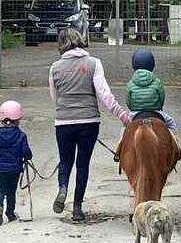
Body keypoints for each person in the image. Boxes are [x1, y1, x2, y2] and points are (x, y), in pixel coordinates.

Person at [49, 28, 130, 221]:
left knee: (65, 161)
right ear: (80, 40)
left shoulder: (55, 67)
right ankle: (77, 207)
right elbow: (104, 94)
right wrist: (122, 115)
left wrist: (65, 111)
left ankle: (62, 188)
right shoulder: (93, 64)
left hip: (63, 121)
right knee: (82, 163)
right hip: (89, 122)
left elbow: (55, 97)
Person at [114, 49, 181, 162]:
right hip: (155, 112)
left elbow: (129, 101)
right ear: (152, 64)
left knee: (124, 129)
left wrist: (135, 108)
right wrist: (157, 107)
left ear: (134, 65)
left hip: (136, 113)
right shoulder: (157, 82)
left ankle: (119, 151)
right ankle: (177, 147)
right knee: (172, 123)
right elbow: (161, 99)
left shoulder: (130, 83)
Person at [0, 100, 33, 226]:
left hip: (0, 169)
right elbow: (26, 152)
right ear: (18, 119)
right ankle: (10, 213)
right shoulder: (21, 135)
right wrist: (27, 157)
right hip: (15, 169)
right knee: (11, 191)